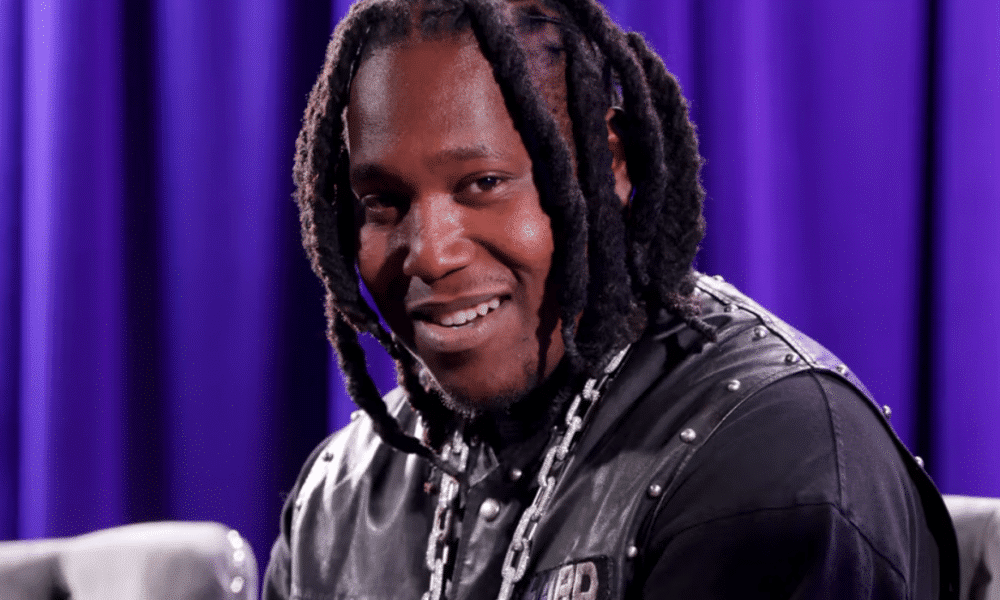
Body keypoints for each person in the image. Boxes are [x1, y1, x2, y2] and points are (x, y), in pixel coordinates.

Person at [263, 0, 959, 598]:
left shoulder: (774, 456)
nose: (429, 253)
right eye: (383, 202)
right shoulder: (338, 496)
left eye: (484, 183)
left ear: (612, 164)